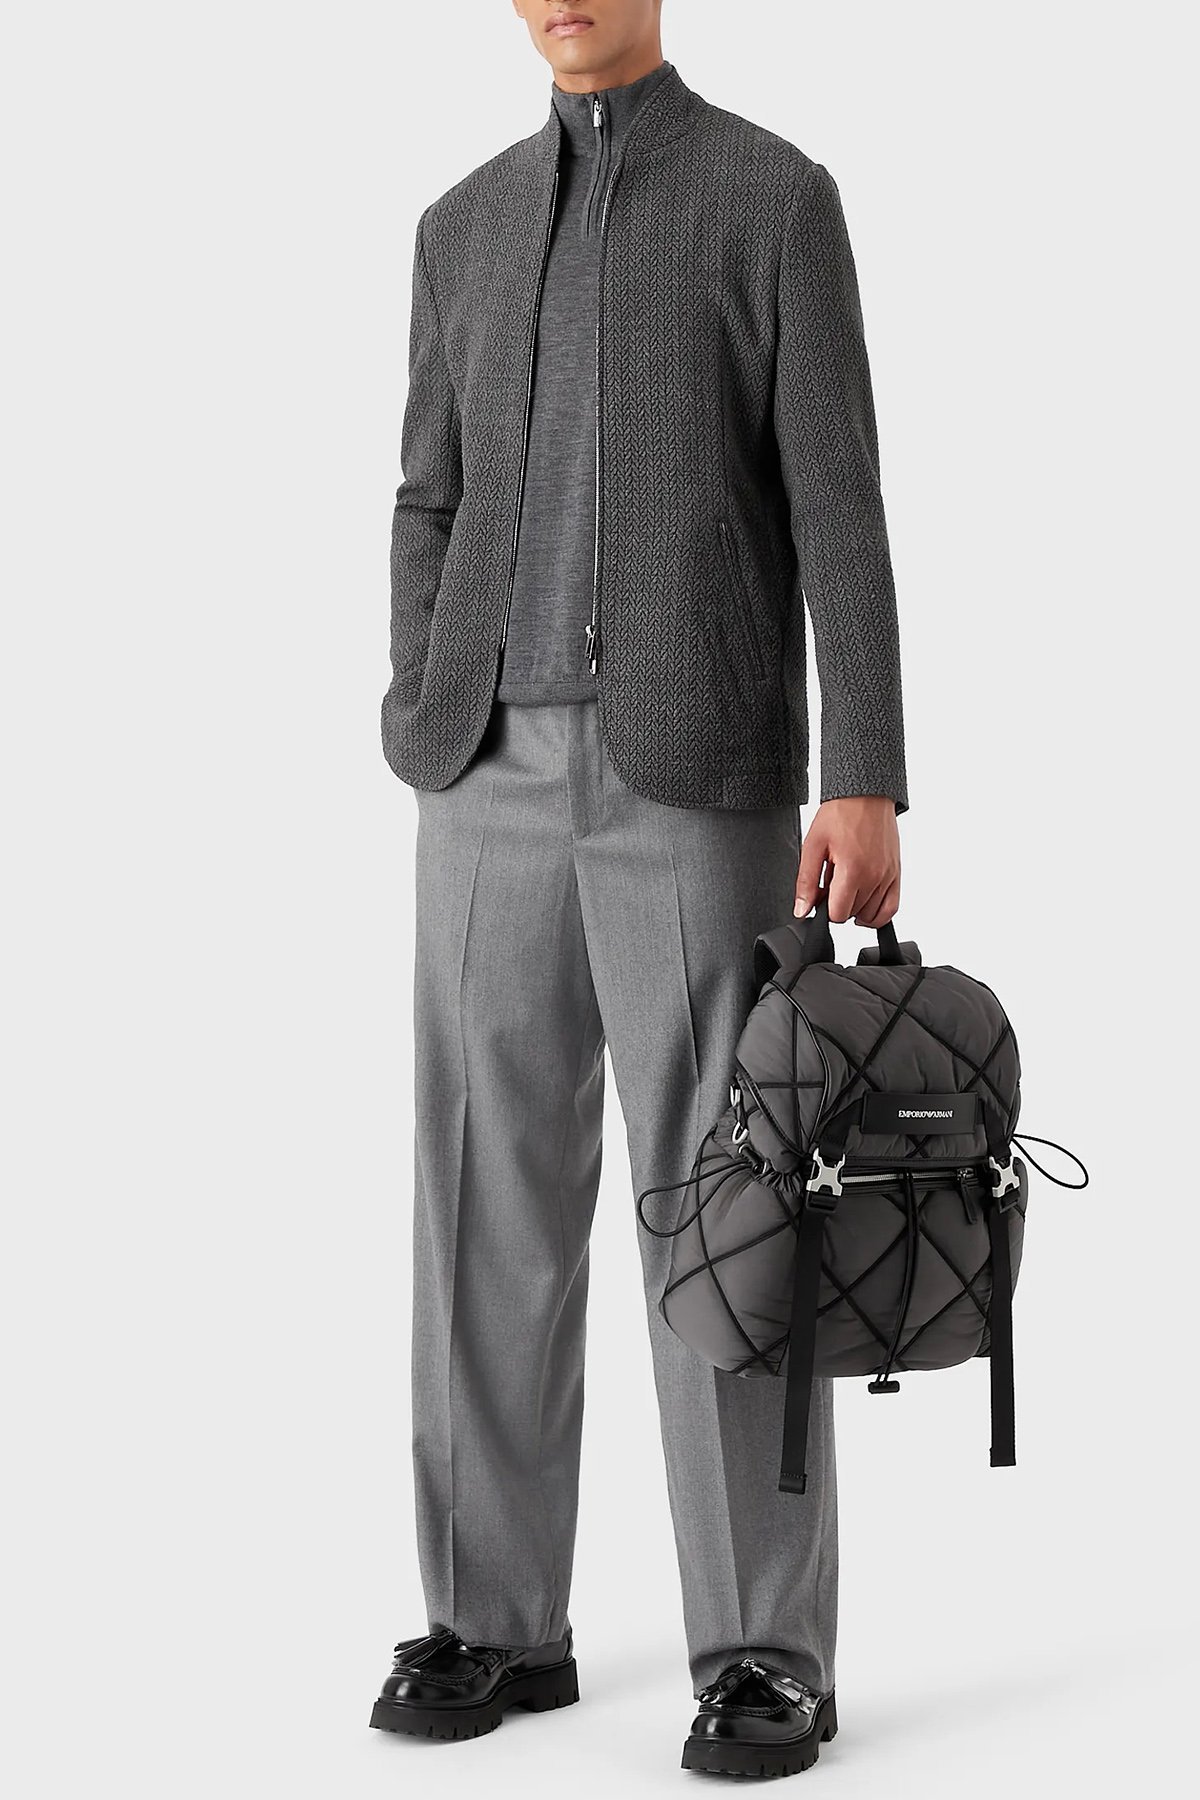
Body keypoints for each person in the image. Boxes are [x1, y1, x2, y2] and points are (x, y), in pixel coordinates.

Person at [369, 0, 907, 1778]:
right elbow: (425, 497)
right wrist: (420, 693)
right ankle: (492, 1619)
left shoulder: (773, 198)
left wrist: (865, 769)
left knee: (731, 1211)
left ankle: (763, 1653)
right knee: (480, 1194)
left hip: (702, 776)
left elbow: (839, 504)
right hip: (483, 778)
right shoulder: (456, 227)